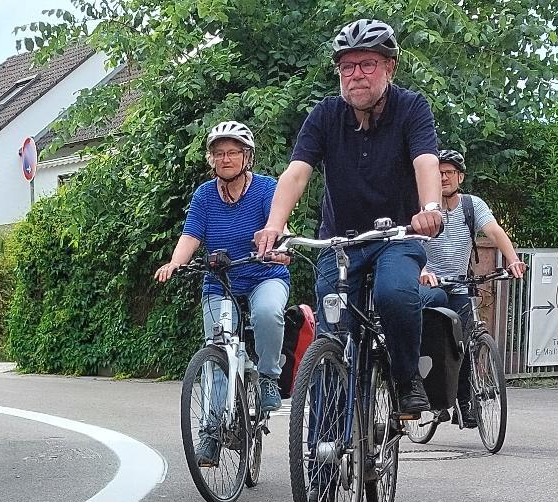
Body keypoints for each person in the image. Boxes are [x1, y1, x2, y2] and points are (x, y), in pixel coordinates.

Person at [253, 17, 445, 418]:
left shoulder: (412, 108)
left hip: (398, 237)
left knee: (394, 294)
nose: (356, 74)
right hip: (339, 241)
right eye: (347, 66)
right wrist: (274, 224)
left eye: (367, 64)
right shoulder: (325, 114)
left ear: (389, 67)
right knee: (333, 335)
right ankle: (323, 444)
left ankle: (405, 378)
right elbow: (296, 173)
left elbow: (426, 161)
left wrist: (430, 209)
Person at [155, 121, 292, 462]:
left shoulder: (266, 188)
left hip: (264, 275)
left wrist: (279, 249)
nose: (225, 159)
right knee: (216, 353)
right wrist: (175, 262)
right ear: (211, 159)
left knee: (267, 313)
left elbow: (279, 227)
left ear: (247, 156)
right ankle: (211, 433)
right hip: (220, 282)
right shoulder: (204, 195)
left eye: (232, 152)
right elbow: (191, 235)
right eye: (218, 153)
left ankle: (269, 377)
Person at [418, 149, 525, 323]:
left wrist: (513, 260)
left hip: (460, 287)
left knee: (465, 333)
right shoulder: (423, 209)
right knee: (434, 314)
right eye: (439, 173)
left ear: (460, 177)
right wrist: (421, 271)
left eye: (449, 172)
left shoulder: (472, 205)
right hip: (429, 286)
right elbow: (412, 244)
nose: (444, 177)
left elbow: (494, 232)